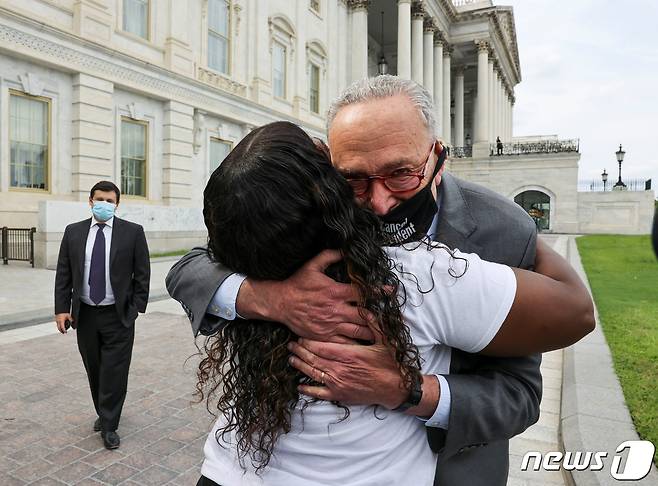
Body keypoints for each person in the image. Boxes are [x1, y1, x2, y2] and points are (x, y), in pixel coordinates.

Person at [166, 76, 549, 485]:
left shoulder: (501, 231)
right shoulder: (314, 209)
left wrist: (410, 391)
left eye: (402, 174)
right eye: (355, 180)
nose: (380, 203)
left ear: (437, 155)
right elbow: (193, 265)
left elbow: (519, 393)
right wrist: (268, 298)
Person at [54, 180, 150, 450]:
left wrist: (135, 309)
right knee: (94, 368)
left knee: (115, 371)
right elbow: (64, 274)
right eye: (100, 199)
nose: (104, 204)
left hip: (118, 315)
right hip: (84, 315)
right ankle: (104, 411)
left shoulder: (132, 233)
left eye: (110, 201)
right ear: (90, 201)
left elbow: (142, 273)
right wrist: (62, 309)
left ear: (117, 204)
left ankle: (109, 425)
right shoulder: (73, 233)